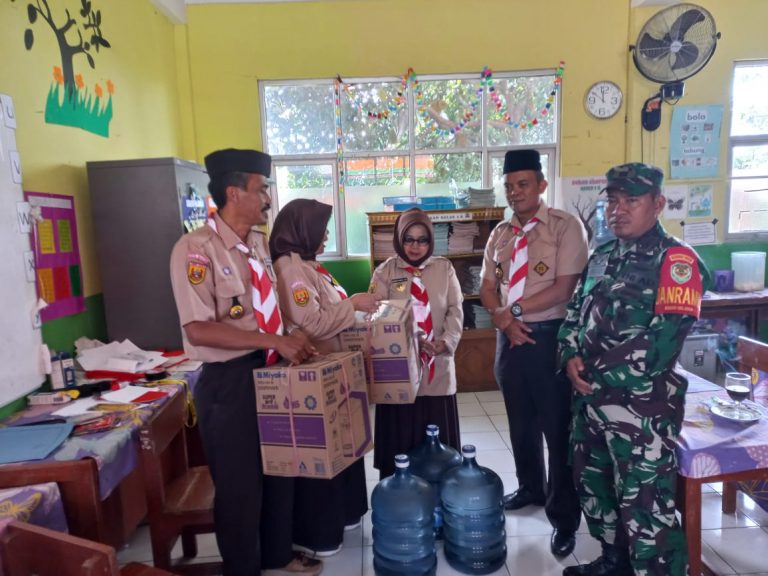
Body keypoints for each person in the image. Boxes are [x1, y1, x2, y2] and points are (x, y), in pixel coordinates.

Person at [169, 148, 321, 576]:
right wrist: (273, 338)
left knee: (280, 470)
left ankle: (275, 554)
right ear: (235, 192)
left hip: (270, 369)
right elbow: (197, 329)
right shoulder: (195, 250)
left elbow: (269, 306)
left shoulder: (256, 245)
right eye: (263, 189)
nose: (269, 198)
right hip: (229, 382)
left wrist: (296, 337)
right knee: (239, 488)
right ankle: (243, 568)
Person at [558, 162, 710, 576]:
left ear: (658, 204)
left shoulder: (677, 261)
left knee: (647, 510)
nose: (617, 210)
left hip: (641, 413)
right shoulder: (603, 256)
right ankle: (613, 563)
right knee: (596, 490)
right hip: (589, 406)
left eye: (631, 200)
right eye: (612, 200)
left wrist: (593, 372)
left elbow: (661, 344)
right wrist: (569, 356)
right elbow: (574, 314)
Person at [479, 149, 586, 558]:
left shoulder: (564, 227)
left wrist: (515, 311)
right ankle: (530, 487)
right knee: (520, 422)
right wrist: (503, 320)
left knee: (556, 429)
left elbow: (564, 287)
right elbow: (488, 287)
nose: (515, 192)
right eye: (509, 185)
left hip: (548, 338)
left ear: (541, 185)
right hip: (509, 339)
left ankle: (563, 517)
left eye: (522, 184)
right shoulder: (500, 234)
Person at [269, 198, 377, 557]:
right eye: (322, 228)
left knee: (343, 448)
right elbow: (311, 322)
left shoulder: (309, 266)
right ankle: (320, 532)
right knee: (322, 454)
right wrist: (354, 305)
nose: (327, 234)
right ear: (302, 229)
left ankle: (345, 516)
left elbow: (327, 311)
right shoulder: (290, 270)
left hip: (333, 370)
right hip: (312, 375)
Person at [369, 207, 464, 478]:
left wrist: (445, 341)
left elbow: (456, 309)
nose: (415, 246)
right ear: (399, 239)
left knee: (437, 439)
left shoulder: (444, 268)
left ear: (430, 241)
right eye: (408, 239)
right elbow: (377, 317)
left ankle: (439, 492)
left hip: (438, 363)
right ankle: (400, 496)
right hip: (400, 371)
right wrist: (411, 339)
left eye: (422, 240)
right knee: (401, 438)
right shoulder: (385, 272)